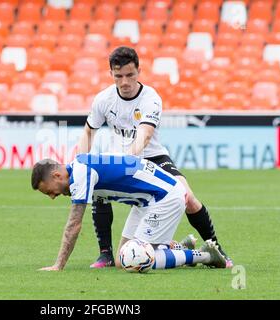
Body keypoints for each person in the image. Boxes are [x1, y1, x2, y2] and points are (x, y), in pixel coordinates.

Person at [76, 46, 233, 268]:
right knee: (98, 190)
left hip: (153, 157)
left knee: (187, 196)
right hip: (122, 159)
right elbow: (88, 131)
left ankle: (215, 248)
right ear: (111, 74)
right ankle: (106, 254)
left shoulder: (150, 98)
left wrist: (126, 162)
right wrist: (80, 164)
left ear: (139, 71)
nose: (124, 82)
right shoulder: (103, 99)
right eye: (118, 76)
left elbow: (145, 135)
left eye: (130, 75)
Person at [31, 153, 227, 271]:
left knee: (135, 260)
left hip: (163, 197)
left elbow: (74, 224)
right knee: (121, 260)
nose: (52, 196)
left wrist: (58, 265)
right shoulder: (80, 165)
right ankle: (175, 248)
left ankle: (204, 255)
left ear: (57, 175)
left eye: (49, 191)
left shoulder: (80, 175)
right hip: (146, 201)